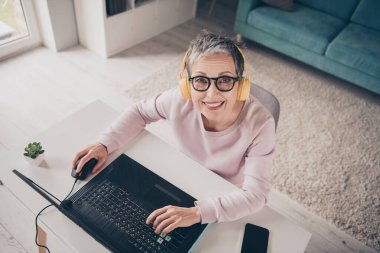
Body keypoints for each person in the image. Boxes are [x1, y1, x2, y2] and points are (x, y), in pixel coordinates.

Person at [72, 30, 275, 236]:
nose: (212, 94)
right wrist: (105, 144)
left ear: (241, 85)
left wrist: (197, 213)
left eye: (224, 80)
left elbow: (255, 195)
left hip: (227, 195)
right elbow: (140, 112)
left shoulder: (261, 123)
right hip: (184, 176)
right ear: (187, 86)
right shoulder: (179, 99)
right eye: (201, 80)